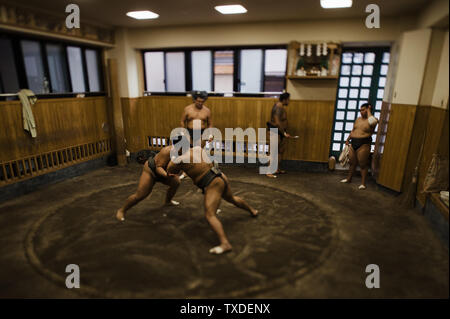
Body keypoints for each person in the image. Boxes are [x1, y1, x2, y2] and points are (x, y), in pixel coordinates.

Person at [167, 145, 258, 255]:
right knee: (232, 198)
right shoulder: (197, 148)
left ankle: (225, 244)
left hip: (212, 183)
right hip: (219, 175)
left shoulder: (178, 159)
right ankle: (253, 211)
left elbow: (170, 171)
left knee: (210, 215)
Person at [115, 146, 181, 221]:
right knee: (141, 195)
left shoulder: (187, 153)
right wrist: (166, 175)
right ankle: (121, 210)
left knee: (176, 182)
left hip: (166, 172)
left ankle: (168, 201)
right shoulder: (167, 151)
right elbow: (158, 167)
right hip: (151, 170)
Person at [340, 102, 379, 190]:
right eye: (360, 110)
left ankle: (363, 183)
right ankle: (348, 179)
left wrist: (369, 111)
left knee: (362, 164)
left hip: (364, 144)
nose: (361, 112)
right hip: (354, 142)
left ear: (368, 109)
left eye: (363, 110)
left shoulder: (374, 120)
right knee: (352, 163)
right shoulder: (358, 119)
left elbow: (372, 122)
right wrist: (348, 139)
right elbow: (353, 130)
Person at [266, 92, 294, 178]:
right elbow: (277, 122)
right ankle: (269, 171)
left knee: (279, 151)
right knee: (273, 152)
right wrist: (284, 133)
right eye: (288, 99)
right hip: (275, 131)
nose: (289, 101)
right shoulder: (278, 107)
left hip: (280, 132)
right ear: (285, 99)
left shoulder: (281, 107)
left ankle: (276, 169)